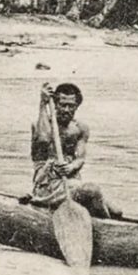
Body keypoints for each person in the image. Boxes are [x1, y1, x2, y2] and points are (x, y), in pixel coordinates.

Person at [30, 82, 121, 219]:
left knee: (117, 211)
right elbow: (43, 139)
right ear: (55, 105)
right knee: (92, 190)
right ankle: (105, 225)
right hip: (48, 185)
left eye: (71, 106)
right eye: (62, 105)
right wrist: (43, 103)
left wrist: (71, 167)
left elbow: (80, 159)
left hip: (72, 182)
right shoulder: (42, 124)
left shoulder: (80, 128)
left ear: (77, 106)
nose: (66, 110)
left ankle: (101, 220)